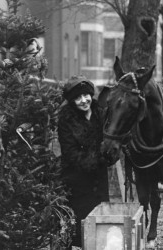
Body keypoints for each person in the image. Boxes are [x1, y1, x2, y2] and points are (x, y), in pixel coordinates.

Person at [58, 75, 109, 248]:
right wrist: (98, 159)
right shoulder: (66, 119)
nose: (83, 100)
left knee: (101, 224)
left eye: (86, 95)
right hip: (77, 179)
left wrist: (109, 156)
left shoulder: (101, 113)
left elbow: (110, 141)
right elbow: (70, 153)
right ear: (71, 101)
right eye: (78, 98)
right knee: (80, 227)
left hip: (100, 180)